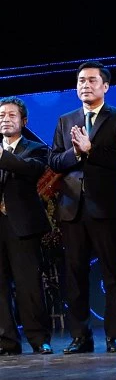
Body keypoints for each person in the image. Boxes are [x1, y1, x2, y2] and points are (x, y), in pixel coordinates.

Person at [49, 61, 116, 354]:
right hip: (72, 210)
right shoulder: (65, 120)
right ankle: (80, 336)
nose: (85, 85)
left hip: (107, 208)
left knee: (113, 274)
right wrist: (75, 152)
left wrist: (91, 150)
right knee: (75, 276)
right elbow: (55, 162)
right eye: (81, 80)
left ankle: (113, 335)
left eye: (92, 80)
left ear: (105, 86)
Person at [0, 97, 53, 355]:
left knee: (28, 284)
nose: (5, 119)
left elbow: (31, 170)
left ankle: (38, 339)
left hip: (22, 225)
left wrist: (2, 156)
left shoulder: (35, 148)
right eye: (1, 115)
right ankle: (7, 340)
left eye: (11, 115)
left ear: (23, 121)